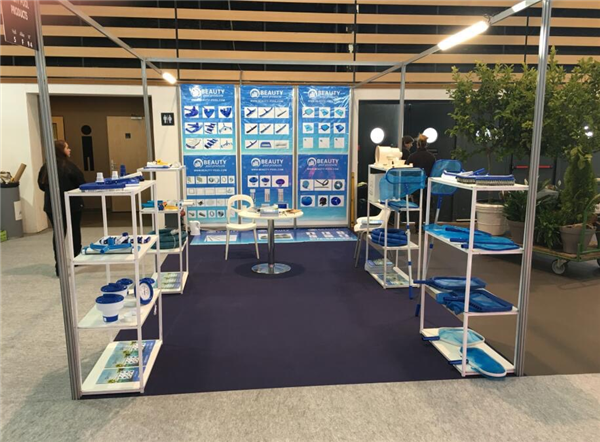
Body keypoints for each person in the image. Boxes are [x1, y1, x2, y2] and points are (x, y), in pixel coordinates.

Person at [38, 140, 86, 276]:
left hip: (52, 206)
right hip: (72, 204)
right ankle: (77, 257)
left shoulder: (46, 167)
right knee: (74, 230)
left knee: (59, 234)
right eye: (67, 147)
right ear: (61, 151)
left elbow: (41, 185)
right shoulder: (71, 167)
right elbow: (81, 183)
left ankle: (59, 265)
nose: (69, 150)